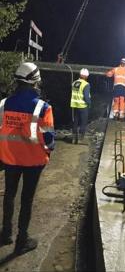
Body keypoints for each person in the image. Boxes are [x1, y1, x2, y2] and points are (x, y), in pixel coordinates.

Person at [0, 62, 55, 254]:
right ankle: (21, 240)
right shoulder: (43, 107)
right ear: (36, 81)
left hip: (10, 159)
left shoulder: (4, 104)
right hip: (33, 161)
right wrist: (48, 151)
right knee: (26, 199)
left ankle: (5, 233)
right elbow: (48, 137)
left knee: (9, 195)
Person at [70, 68, 91, 144]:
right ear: (86, 76)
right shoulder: (86, 84)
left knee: (75, 122)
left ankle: (73, 139)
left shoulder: (74, 83)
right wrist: (89, 103)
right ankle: (80, 139)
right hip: (83, 106)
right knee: (83, 122)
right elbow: (86, 96)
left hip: (75, 105)